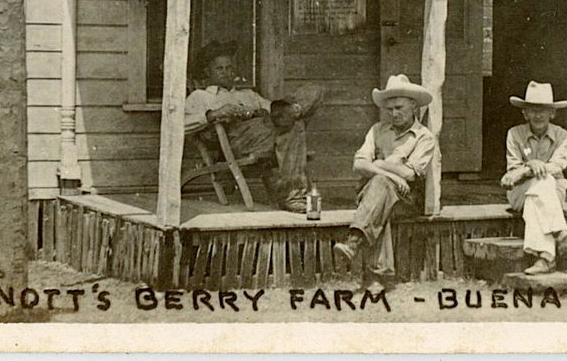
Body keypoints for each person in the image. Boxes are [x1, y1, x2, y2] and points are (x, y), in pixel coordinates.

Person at [181, 40, 323, 212]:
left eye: (229, 68)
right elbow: (179, 126)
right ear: (207, 72)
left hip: (268, 129)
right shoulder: (200, 96)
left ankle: (293, 114)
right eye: (220, 69)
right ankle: (292, 196)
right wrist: (214, 114)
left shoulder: (247, 94)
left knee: (314, 91)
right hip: (238, 141)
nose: (227, 73)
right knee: (294, 126)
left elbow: (271, 108)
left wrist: (287, 110)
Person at [332, 74, 437, 289]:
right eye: (389, 109)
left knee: (380, 200)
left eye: (399, 108)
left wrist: (379, 164)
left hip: (407, 199)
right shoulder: (377, 130)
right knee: (381, 190)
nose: (394, 114)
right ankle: (379, 275)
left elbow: (410, 175)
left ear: (414, 106)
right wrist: (391, 173)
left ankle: (357, 248)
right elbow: (358, 164)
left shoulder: (424, 137)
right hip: (375, 192)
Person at [502, 81, 567, 275]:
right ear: (525, 114)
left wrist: (531, 166)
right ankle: (561, 235)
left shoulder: (562, 136)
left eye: (543, 110)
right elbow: (513, 171)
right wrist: (531, 166)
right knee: (543, 183)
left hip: (552, 192)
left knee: (542, 188)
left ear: (552, 113)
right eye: (532, 110)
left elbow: (558, 166)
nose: (538, 115)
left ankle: (546, 257)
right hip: (520, 192)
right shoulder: (514, 134)